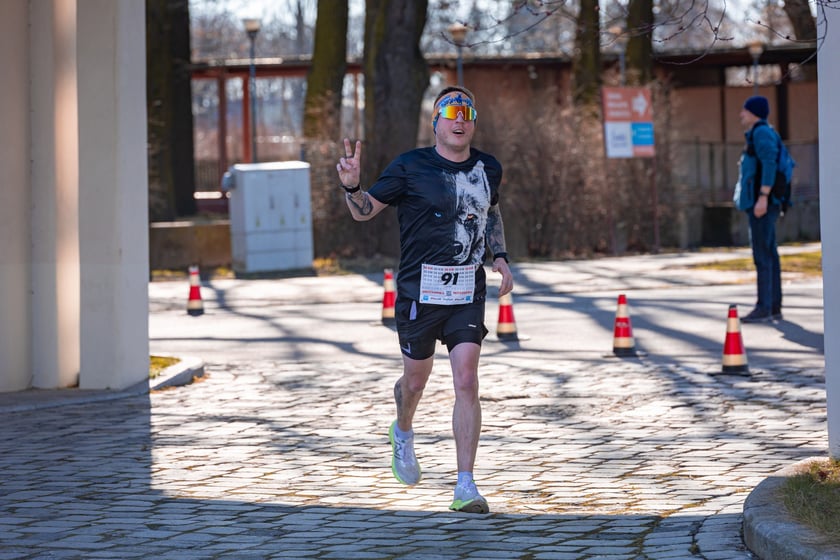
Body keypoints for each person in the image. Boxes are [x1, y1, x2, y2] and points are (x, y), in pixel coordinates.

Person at [335, 85, 514, 514]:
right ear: (435, 122)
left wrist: (501, 257)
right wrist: (352, 185)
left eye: (467, 112)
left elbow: (491, 213)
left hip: (467, 289)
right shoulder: (410, 167)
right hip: (420, 291)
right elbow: (365, 210)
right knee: (415, 382)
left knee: (466, 380)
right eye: (451, 111)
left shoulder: (489, 168)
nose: (460, 119)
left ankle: (466, 485)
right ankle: (403, 428)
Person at [737, 95, 783, 323]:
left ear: (754, 112)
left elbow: (769, 163)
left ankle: (764, 306)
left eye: (744, 110)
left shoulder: (761, 133)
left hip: (762, 203)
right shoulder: (763, 132)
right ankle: (773, 306)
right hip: (763, 202)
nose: (741, 114)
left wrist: (763, 197)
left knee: (762, 255)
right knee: (769, 254)